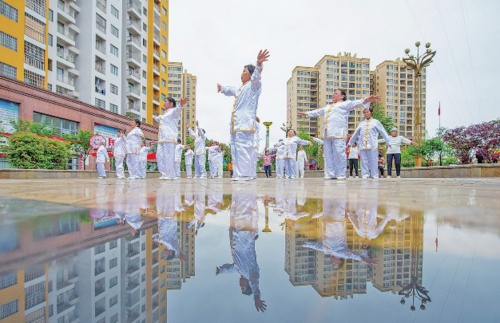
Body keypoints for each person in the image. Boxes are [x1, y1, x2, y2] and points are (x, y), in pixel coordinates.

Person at [298, 89, 381, 180]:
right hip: (327, 133)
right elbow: (318, 111)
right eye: (334, 93)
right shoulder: (328, 107)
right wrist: (306, 113)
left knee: (339, 153)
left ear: (342, 96)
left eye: (336, 93)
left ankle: (341, 174)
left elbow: (356, 103)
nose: (333, 95)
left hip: (338, 133)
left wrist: (367, 99)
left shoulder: (345, 104)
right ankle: (330, 174)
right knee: (328, 155)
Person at [217, 49, 270, 181]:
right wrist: (222, 88)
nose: (241, 74)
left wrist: (258, 65)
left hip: (245, 123)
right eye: (242, 72)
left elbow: (257, 76)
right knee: (235, 149)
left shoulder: (253, 86)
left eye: (244, 72)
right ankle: (239, 173)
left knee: (244, 148)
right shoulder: (240, 89)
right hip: (236, 124)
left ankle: (245, 174)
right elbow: (230, 89)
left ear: (250, 74)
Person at [215, 188, 267, 312]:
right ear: (247, 284)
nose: (240, 285)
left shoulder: (239, 269)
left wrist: (221, 271)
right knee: (246, 211)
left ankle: (239, 191)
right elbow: (255, 283)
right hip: (244, 235)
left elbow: (230, 269)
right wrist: (256, 296)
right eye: (242, 287)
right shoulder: (251, 274)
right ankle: (247, 189)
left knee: (236, 209)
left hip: (236, 234)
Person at [348, 107, 391, 179]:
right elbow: (355, 134)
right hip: (362, 145)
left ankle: (374, 175)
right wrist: (350, 143)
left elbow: (383, 132)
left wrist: (388, 142)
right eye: (364, 112)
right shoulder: (361, 124)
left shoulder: (376, 122)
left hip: (372, 145)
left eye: (367, 112)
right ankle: (365, 175)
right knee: (363, 161)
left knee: (373, 161)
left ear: (371, 113)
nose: (366, 114)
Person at [153, 97, 189, 180]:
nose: (164, 103)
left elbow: (178, 110)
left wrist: (181, 104)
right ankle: (164, 174)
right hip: (161, 138)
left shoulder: (173, 111)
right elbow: (158, 118)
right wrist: (154, 117)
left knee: (169, 156)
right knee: (160, 155)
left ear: (171, 104)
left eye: (165, 101)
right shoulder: (164, 114)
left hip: (169, 137)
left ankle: (170, 175)